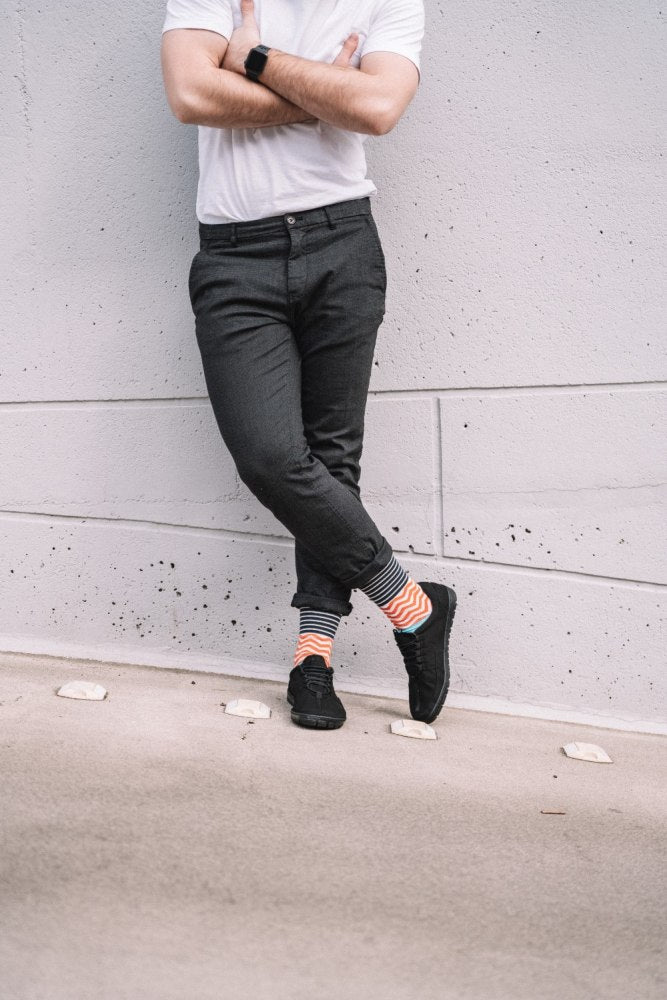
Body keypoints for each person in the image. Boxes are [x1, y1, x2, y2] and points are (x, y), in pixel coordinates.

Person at [160, 0, 456, 731]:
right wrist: (325, 90)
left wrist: (252, 61)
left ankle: (312, 659)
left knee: (331, 459)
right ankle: (413, 606)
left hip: (341, 241)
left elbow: (378, 108)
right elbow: (191, 94)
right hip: (235, 257)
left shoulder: (389, 2)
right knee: (269, 457)